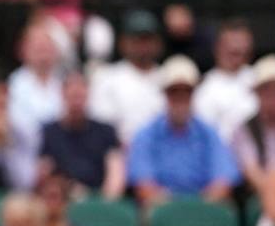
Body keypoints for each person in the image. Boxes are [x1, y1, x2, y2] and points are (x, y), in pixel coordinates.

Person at [127, 56, 241, 206]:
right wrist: (178, 210)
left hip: (204, 208)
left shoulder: (209, 133)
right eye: (174, 91)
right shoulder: (146, 135)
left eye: (186, 91)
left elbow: (224, 181)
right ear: (165, 94)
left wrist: (195, 208)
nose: (180, 98)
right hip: (161, 212)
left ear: (194, 94)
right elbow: (143, 186)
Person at [41, 72, 124, 198]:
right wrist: (68, 187)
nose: (76, 102)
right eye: (72, 96)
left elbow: (115, 172)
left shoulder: (106, 131)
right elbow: (44, 173)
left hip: (99, 197)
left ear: (88, 95)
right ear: (62, 95)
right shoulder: (49, 132)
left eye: (80, 96)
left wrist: (105, 201)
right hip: (62, 198)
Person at [89, 10, 165, 145]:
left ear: (158, 43)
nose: (143, 46)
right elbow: (101, 127)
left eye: (147, 39)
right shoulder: (108, 78)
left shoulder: (167, 78)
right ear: (123, 43)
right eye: (137, 40)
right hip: (119, 154)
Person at [231, 56, 275, 197]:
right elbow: (253, 174)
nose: (273, 95)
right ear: (257, 93)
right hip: (261, 198)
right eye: (266, 89)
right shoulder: (243, 129)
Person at [193, 19, 257, 144]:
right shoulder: (204, 88)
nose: (236, 49)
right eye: (231, 47)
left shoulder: (260, 79)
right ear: (217, 47)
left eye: (241, 47)